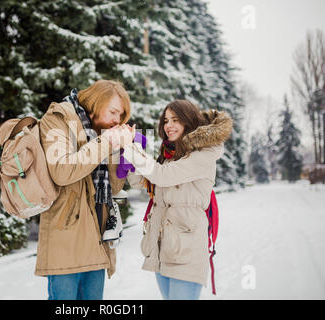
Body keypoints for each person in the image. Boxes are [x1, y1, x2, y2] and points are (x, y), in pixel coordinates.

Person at [121, 99, 233, 300]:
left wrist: (132, 150)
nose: (168, 126)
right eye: (166, 120)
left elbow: (162, 176)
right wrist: (128, 153)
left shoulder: (204, 154)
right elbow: (143, 183)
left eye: (175, 120)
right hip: (164, 246)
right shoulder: (170, 155)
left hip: (187, 248)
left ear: (188, 121)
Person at [35, 80, 131, 300]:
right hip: (67, 232)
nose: (117, 120)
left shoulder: (102, 133)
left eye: (121, 115)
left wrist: (123, 152)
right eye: (114, 111)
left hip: (97, 234)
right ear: (97, 101)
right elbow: (61, 170)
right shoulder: (58, 118)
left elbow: (114, 187)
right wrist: (106, 143)